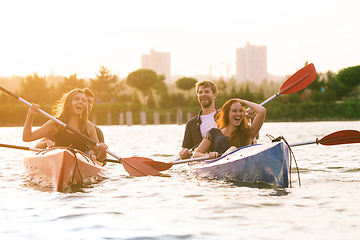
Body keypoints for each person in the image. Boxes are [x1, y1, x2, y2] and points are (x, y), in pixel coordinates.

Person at [23, 88, 108, 162]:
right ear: (68, 103)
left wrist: (103, 151)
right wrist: (30, 114)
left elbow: (100, 158)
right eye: (76, 99)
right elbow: (27, 137)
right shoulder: (56, 123)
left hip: (80, 165)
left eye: (83, 100)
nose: (80, 102)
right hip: (58, 162)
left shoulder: (89, 126)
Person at [193, 98, 266, 159]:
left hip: (241, 167)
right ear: (227, 114)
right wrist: (209, 155)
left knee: (233, 149)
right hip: (219, 168)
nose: (238, 114)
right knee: (233, 149)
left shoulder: (248, 133)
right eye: (234, 111)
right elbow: (196, 155)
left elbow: (262, 111)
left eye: (241, 111)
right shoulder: (213, 133)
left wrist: (243, 102)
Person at [34, 88, 105, 149]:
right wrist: (46, 143)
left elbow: (102, 160)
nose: (83, 103)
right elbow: (36, 146)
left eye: (89, 102)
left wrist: (94, 157)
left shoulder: (95, 130)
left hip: (85, 161)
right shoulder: (59, 125)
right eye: (77, 99)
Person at [179, 80, 218, 159]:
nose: (203, 95)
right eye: (200, 92)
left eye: (207, 91)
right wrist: (184, 153)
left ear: (214, 95)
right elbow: (186, 148)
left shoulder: (226, 117)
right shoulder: (191, 124)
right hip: (202, 163)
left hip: (222, 158)